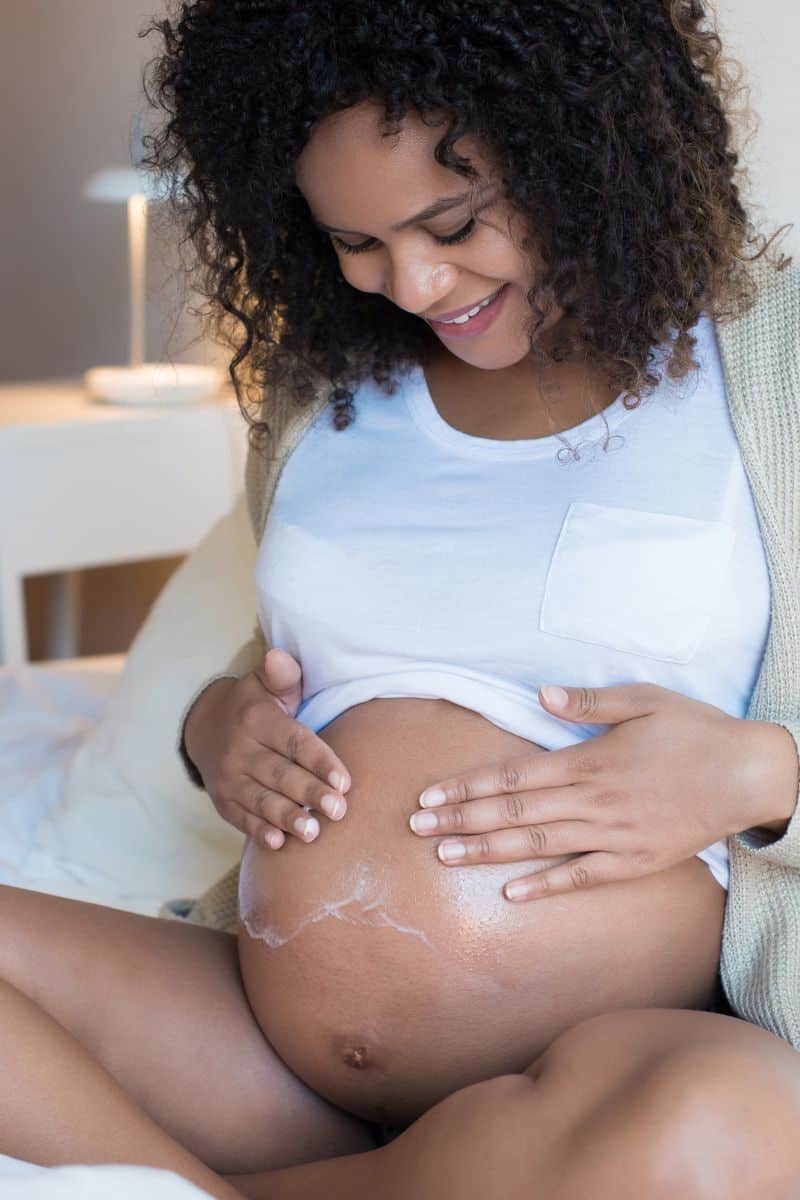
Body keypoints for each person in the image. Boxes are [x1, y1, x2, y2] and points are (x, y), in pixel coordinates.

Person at [2, 3, 800, 1198]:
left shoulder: (768, 361)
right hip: (271, 1067)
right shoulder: (324, 380)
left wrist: (761, 777)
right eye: (355, 241)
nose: (415, 283)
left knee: (723, 1138)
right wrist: (209, 727)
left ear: (581, 149)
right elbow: (305, 658)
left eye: (450, 222)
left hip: (603, 1064)